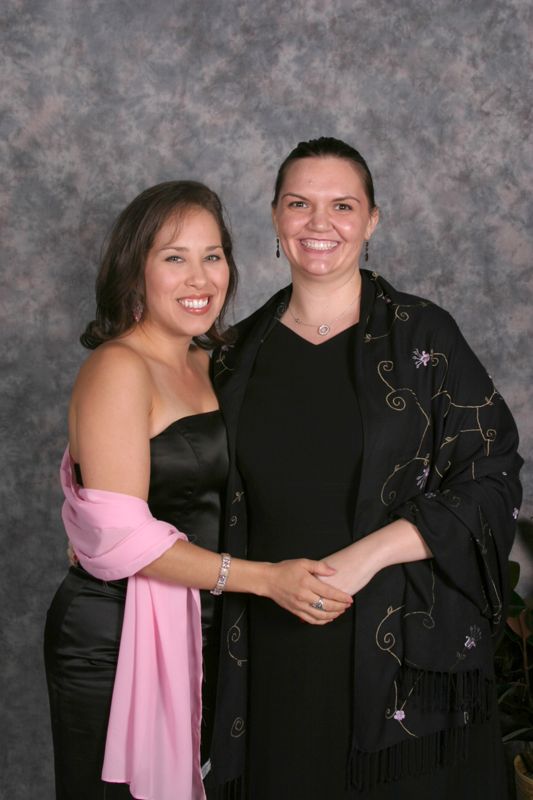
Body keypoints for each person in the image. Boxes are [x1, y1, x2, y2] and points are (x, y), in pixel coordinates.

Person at [208, 138, 523, 799]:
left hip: (406, 659)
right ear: (273, 216)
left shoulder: (425, 337)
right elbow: (187, 482)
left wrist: (368, 555)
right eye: (299, 204)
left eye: (341, 206)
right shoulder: (233, 358)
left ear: (371, 220)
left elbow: (490, 476)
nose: (318, 225)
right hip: (272, 654)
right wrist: (98, 510)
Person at [43, 180, 353, 800]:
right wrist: (267, 579)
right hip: (114, 635)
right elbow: (125, 538)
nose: (200, 279)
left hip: (209, 624)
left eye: (212, 256)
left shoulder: (209, 363)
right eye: (174, 257)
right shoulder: (118, 367)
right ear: (135, 270)